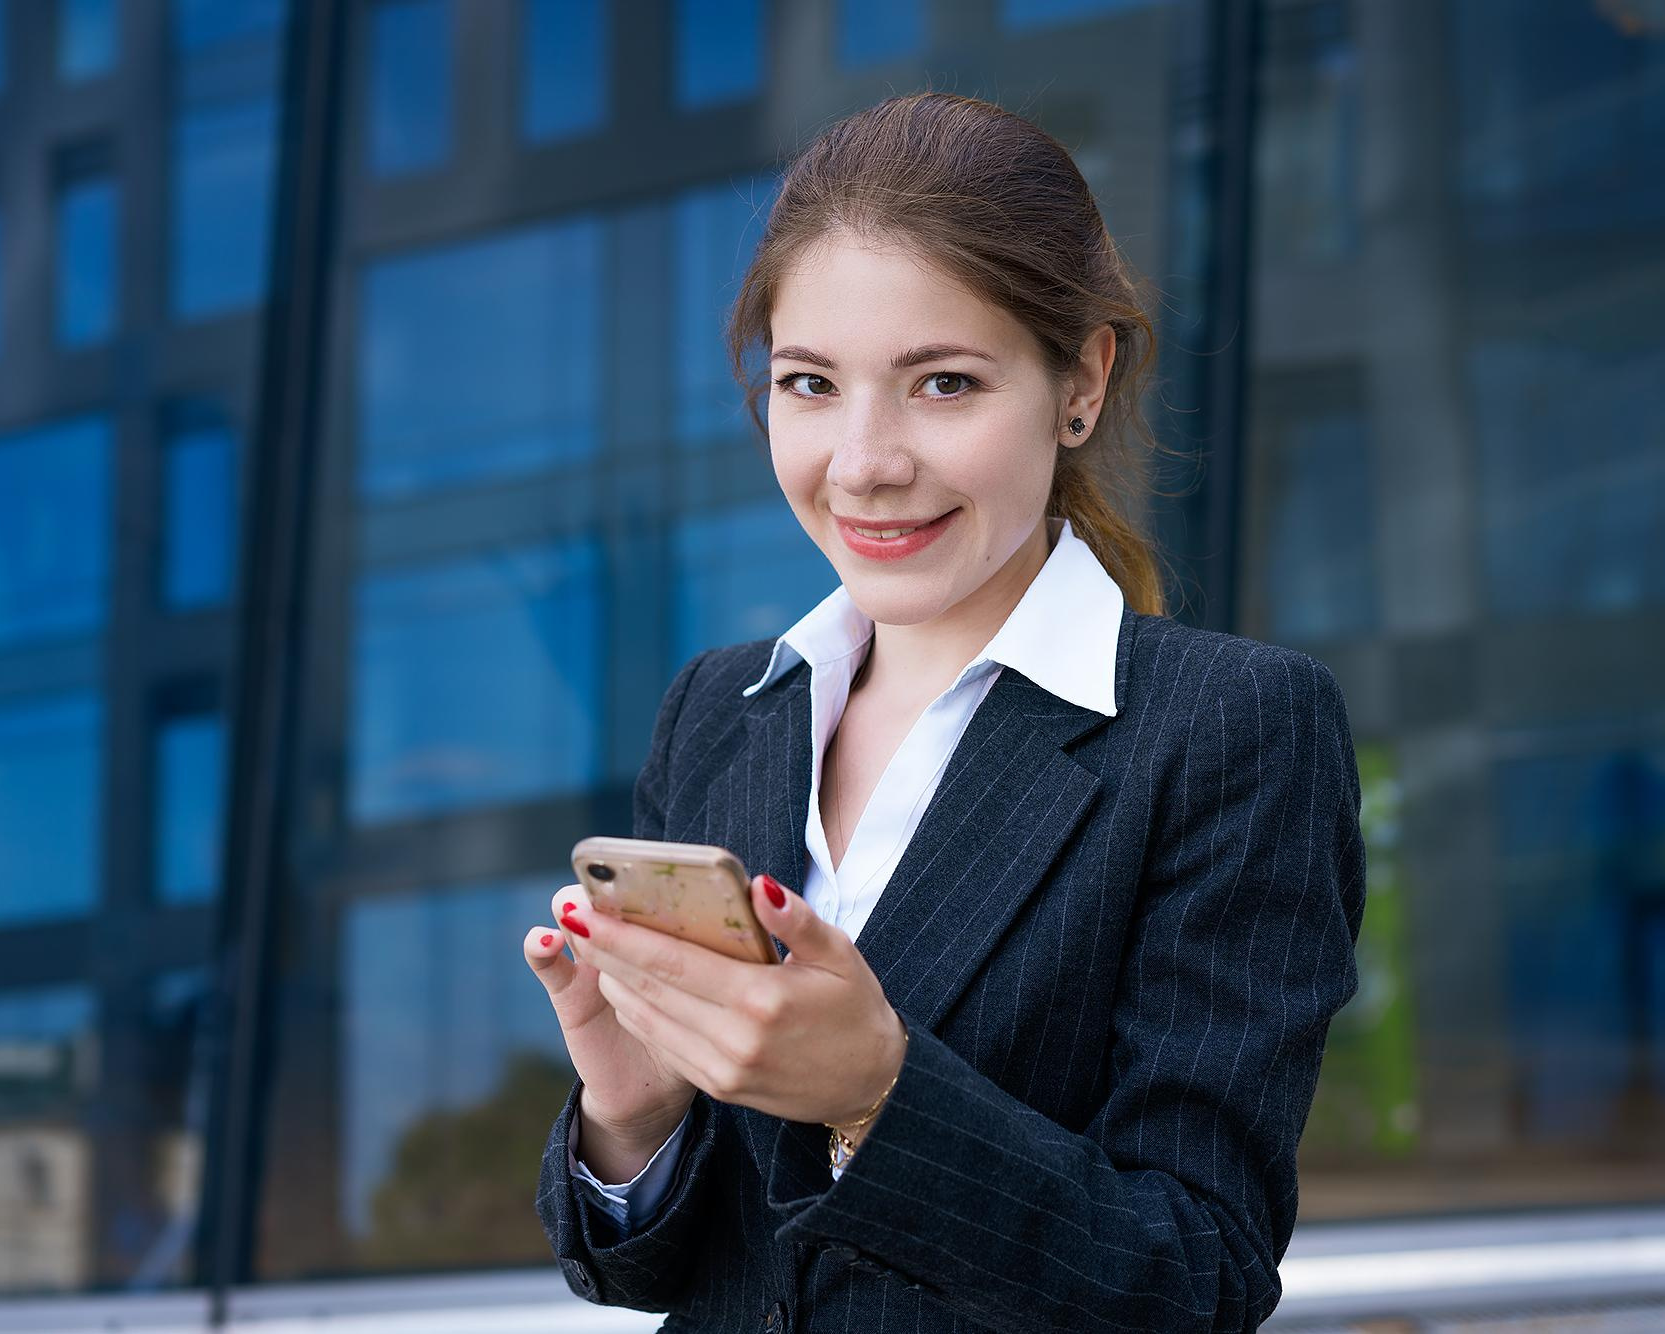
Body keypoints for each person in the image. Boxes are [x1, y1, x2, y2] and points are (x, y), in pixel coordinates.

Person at [522, 91, 1365, 1333]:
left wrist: (875, 1090)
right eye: (810, 383)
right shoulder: (721, 711)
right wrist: (634, 1117)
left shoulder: (1227, 729)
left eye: (942, 383)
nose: (861, 460)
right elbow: (667, 1272)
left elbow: (1194, 1277)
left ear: (1078, 381)